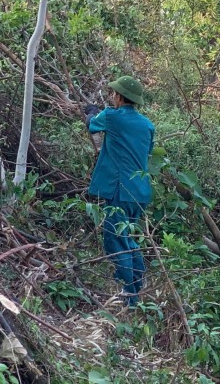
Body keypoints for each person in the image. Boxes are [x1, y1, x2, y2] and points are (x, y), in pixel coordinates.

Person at [84, 76, 154, 306]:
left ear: (119, 97)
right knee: (129, 238)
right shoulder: (147, 125)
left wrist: (91, 112)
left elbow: (93, 124)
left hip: (120, 190)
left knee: (115, 240)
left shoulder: (112, 116)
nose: (112, 97)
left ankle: (130, 297)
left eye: (114, 94)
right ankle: (138, 286)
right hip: (140, 191)